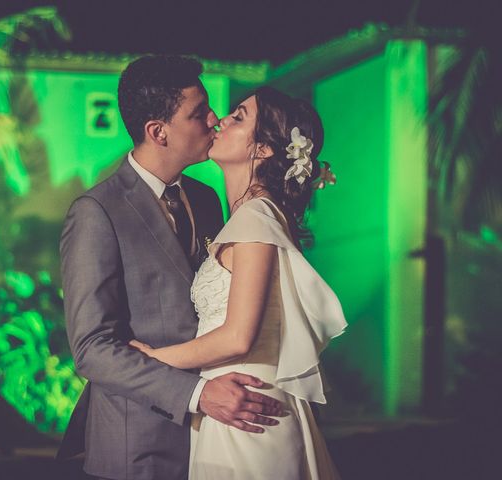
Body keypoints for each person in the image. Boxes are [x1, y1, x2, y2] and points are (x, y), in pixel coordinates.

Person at [58, 56, 283, 480]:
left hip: (217, 434)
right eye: (199, 113)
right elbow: (92, 350)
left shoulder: (206, 199)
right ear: (158, 132)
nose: (215, 119)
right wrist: (198, 394)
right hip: (139, 444)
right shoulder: (96, 212)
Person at [130, 86, 347, 479]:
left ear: (262, 149)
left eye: (239, 117)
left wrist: (150, 361)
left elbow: (237, 338)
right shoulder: (248, 217)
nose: (221, 120)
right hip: (235, 402)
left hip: (248, 412)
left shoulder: (256, 220)